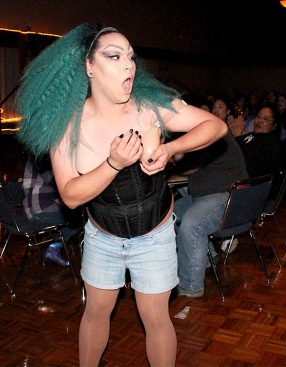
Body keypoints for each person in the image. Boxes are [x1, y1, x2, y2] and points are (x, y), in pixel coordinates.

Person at [15, 23, 227, 367]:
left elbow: (215, 126)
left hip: (154, 235)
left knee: (156, 317)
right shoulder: (66, 125)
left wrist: (171, 149)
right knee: (96, 312)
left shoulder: (150, 108)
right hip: (103, 238)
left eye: (130, 57)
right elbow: (69, 196)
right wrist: (113, 163)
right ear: (89, 67)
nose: (129, 64)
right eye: (114, 56)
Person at [173, 131, 248, 298]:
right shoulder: (205, 132)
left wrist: (168, 154)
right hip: (205, 195)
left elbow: (192, 166)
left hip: (228, 196)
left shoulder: (210, 134)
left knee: (192, 225)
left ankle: (190, 287)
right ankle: (207, 257)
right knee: (167, 217)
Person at [22, 154, 81, 266]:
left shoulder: (36, 150)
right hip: (41, 208)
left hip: (32, 208)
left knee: (76, 211)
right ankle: (55, 246)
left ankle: (54, 243)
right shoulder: (45, 156)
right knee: (83, 217)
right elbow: (57, 184)